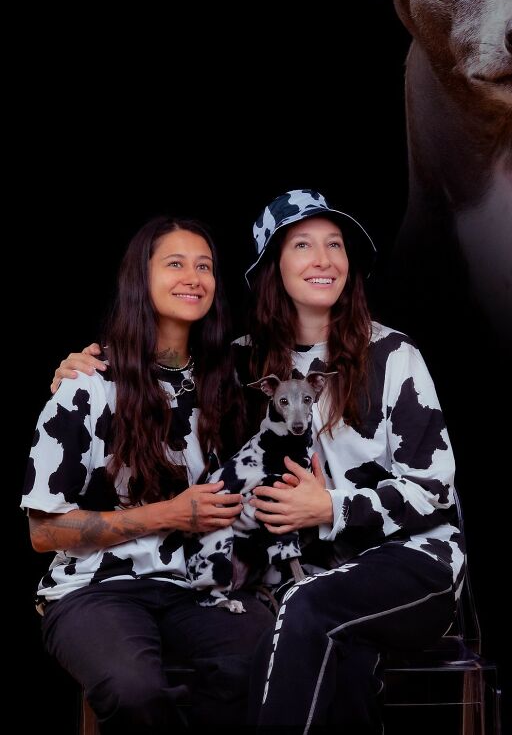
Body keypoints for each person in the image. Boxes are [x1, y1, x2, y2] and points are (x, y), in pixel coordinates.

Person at [51, 190, 466, 733]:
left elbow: (434, 488)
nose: (324, 259)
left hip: (408, 558)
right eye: (303, 245)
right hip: (296, 576)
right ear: (273, 268)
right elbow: (162, 378)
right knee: (328, 655)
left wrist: (331, 506)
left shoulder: (393, 356)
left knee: (304, 615)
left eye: (335, 245)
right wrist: (80, 366)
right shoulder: (239, 363)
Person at [22, 216, 273, 734]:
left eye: (204, 266)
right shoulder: (89, 384)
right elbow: (44, 532)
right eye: (175, 263)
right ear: (141, 277)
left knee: (265, 664)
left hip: (201, 586)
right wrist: (173, 514)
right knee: (134, 690)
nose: (194, 277)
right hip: (95, 589)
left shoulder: (232, 382)